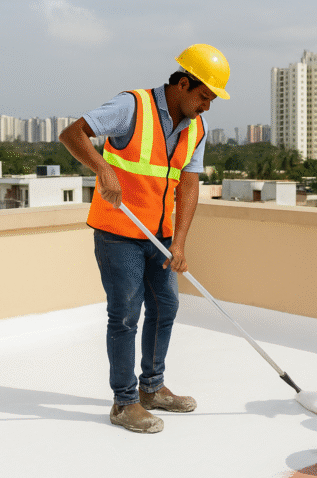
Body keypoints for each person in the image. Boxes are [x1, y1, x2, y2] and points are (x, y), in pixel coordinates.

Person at [59, 44, 230, 433]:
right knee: (124, 315)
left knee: (165, 306)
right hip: (119, 232)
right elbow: (72, 134)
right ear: (184, 84)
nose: (206, 106)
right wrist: (102, 168)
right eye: (204, 96)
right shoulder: (132, 106)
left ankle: (152, 389)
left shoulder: (197, 127)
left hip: (160, 237)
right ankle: (124, 402)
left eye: (211, 100)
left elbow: (188, 185)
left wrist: (180, 242)